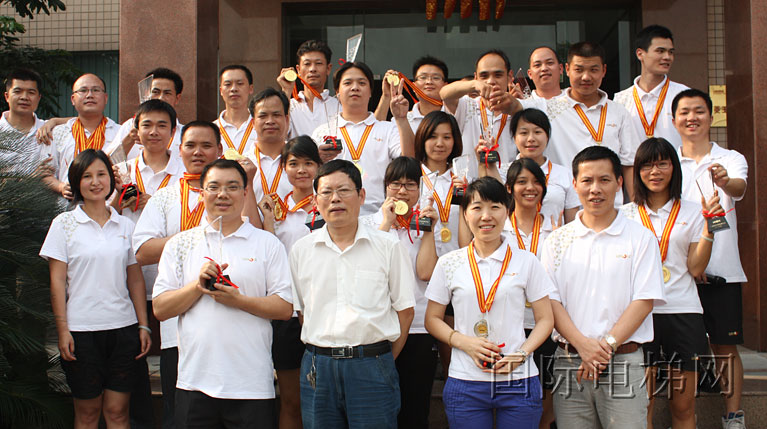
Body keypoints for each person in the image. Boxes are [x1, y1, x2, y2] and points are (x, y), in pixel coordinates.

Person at [153, 159, 293, 429]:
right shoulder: (180, 243)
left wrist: (238, 301)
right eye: (214, 187)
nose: (223, 194)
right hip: (194, 382)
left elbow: (285, 308)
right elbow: (160, 309)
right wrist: (196, 287)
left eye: (232, 187)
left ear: (245, 192)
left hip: (251, 384)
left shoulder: (267, 243)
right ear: (201, 193)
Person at [541, 146, 665, 429]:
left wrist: (605, 346)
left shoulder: (640, 238)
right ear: (575, 184)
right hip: (570, 361)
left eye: (604, 180)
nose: (595, 189)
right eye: (587, 180)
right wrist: (583, 346)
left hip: (623, 361)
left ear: (619, 183)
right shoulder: (557, 240)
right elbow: (550, 301)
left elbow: (644, 300)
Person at [289, 159, 416, 428]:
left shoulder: (388, 246)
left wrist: (380, 360)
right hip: (318, 367)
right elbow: (303, 312)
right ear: (316, 201)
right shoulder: (302, 250)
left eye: (344, 190)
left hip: (371, 366)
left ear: (361, 196)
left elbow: (405, 311)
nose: (335, 199)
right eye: (326, 192)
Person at [424, 176, 555, 429]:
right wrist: (463, 342)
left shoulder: (526, 261)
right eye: (477, 207)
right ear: (465, 214)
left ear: (507, 212)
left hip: (518, 378)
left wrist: (521, 354)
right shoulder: (449, 262)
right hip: (465, 379)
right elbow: (432, 318)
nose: (486, 216)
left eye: (495, 207)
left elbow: (545, 319)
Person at [130, 121, 234, 429]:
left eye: (206, 146)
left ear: (220, 150)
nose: (198, 152)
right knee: (179, 415)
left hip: (226, 323)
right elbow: (142, 250)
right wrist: (192, 237)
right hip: (176, 327)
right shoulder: (164, 197)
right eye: (190, 145)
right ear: (179, 150)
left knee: (229, 414)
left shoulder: (233, 196)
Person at [40, 149, 151, 429]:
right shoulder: (63, 224)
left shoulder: (125, 225)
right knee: (88, 414)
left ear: (111, 180)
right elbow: (57, 282)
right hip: (81, 332)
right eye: (87, 176)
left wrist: (143, 325)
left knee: (117, 412)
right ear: (76, 182)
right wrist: (63, 330)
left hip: (123, 329)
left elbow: (135, 280)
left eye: (101, 174)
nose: (95, 182)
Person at [621, 137, 719, 429]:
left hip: (683, 312)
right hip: (639, 315)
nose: (655, 172)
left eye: (662, 164)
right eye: (647, 165)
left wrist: (710, 227)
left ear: (674, 168)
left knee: (683, 406)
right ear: (637, 171)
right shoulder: (624, 215)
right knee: (643, 405)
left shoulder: (693, 211)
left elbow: (696, 267)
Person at [672, 89, 749, 429]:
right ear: (674, 120)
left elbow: (739, 188)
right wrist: (691, 264)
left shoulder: (729, 158)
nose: (692, 118)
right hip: (680, 272)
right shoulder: (668, 162)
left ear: (711, 115)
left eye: (699, 111)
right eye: (685, 112)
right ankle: (681, 416)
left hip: (722, 270)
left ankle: (733, 416)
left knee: (724, 346)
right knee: (679, 351)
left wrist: (724, 180)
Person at [110, 99, 184, 429]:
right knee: (134, 361)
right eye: (147, 125)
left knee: (173, 361)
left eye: (162, 125)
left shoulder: (185, 171)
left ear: (173, 131)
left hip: (173, 280)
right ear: (136, 130)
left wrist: (152, 202)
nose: (154, 132)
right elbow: (105, 212)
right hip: (130, 275)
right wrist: (119, 197)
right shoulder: (121, 169)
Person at [504, 42, 642, 204]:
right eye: (579, 70)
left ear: (604, 71)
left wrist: (635, 207)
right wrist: (497, 94)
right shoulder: (548, 107)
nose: (586, 77)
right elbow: (513, 106)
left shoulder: (619, 112)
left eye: (593, 70)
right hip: (567, 209)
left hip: (610, 209)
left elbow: (629, 164)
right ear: (567, 69)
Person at [359, 156, 439, 429]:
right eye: (395, 184)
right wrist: (386, 223)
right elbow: (368, 269)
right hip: (377, 326)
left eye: (410, 185)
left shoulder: (425, 222)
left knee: (415, 408)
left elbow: (425, 273)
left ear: (419, 189)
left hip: (417, 327)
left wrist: (429, 232)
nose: (402, 191)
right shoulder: (367, 224)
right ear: (385, 187)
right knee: (375, 408)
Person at [258, 135, 322, 429]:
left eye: (309, 163)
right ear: (283, 167)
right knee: (290, 400)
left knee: (324, 399)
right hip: (287, 310)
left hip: (321, 308)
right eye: (294, 163)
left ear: (318, 167)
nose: (301, 170)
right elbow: (269, 256)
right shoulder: (275, 207)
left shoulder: (328, 205)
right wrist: (268, 221)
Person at [309, 61, 414, 215]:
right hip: (336, 214)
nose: (355, 87)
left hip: (379, 215)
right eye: (348, 83)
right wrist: (318, 160)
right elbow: (309, 176)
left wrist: (402, 119)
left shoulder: (387, 129)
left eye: (362, 83)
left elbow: (410, 160)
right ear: (337, 92)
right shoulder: (323, 132)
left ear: (370, 91)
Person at [502, 158, 560, 429]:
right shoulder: (499, 227)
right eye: (522, 182)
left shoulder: (556, 227)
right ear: (509, 187)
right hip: (509, 322)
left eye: (537, 182)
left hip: (546, 321)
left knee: (547, 387)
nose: (530, 188)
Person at [482, 108, 579, 223]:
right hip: (513, 234)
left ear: (547, 136)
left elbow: (572, 223)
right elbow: (495, 203)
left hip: (555, 234)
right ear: (514, 138)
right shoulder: (502, 172)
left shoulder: (565, 174)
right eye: (524, 133)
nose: (531, 139)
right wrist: (488, 162)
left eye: (537, 132)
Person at [47, 73, 121, 201]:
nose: (89, 95)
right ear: (73, 99)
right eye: (83, 90)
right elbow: (44, 174)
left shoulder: (119, 132)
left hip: (108, 206)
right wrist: (60, 187)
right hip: (69, 206)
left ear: (105, 98)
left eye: (96, 90)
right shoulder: (58, 133)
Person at [439, 49, 516, 171]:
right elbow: (444, 94)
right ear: (476, 77)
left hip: (510, 181)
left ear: (510, 77)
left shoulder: (517, 108)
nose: (491, 81)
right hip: (472, 182)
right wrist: (474, 85)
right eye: (484, 76)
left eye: (498, 75)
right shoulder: (467, 105)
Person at [614, 25, 689, 150]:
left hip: (674, 162)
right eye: (660, 51)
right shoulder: (621, 99)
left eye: (670, 52)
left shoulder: (684, 95)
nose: (667, 57)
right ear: (640, 54)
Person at [106, 67, 186, 160]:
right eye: (155, 92)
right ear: (146, 94)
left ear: (177, 98)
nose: (160, 97)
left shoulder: (185, 133)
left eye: (167, 93)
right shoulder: (129, 126)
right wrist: (130, 138)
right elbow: (107, 163)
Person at [277, 40, 342, 139]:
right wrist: (286, 91)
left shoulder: (339, 106)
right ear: (298, 70)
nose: (312, 69)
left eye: (318, 63)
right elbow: (278, 136)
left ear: (328, 69)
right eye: (307, 64)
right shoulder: (290, 106)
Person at [246, 88, 293, 209]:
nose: (270, 121)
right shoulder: (243, 164)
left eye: (276, 115)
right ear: (253, 123)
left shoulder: (301, 162)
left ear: (286, 120)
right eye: (263, 116)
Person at [375, 55, 449, 132]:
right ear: (413, 86)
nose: (429, 82)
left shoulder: (454, 114)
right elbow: (374, 133)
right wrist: (386, 96)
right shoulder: (401, 119)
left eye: (436, 78)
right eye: (423, 77)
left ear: (445, 85)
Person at [214, 65, 257, 156]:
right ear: (221, 91)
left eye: (240, 83)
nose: (234, 89)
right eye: (228, 84)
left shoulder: (261, 127)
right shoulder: (212, 129)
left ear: (250, 89)